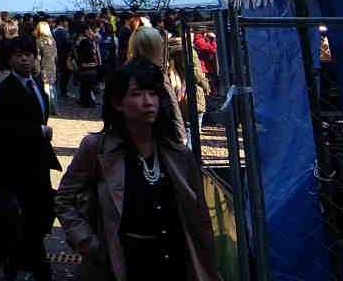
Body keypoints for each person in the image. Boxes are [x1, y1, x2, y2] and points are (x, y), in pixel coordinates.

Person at [56, 59, 220, 281]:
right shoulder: (97, 148)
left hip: (175, 263)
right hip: (122, 264)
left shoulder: (178, 153)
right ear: (118, 103)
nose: (148, 102)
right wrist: (88, 242)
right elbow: (64, 199)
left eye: (153, 94)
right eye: (137, 94)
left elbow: (199, 214)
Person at [0, 36, 61, 281]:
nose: (25, 59)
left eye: (28, 54)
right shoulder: (4, 90)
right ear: (10, 59)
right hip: (17, 165)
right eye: (19, 55)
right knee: (24, 218)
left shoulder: (36, 82)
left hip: (39, 161)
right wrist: (38, 131)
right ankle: (29, 264)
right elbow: (2, 129)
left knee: (41, 213)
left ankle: (31, 260)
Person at [76, 21, 102, 107]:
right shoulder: (85, 41)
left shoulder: (81, 39)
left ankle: (86, 100)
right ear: (86, 30)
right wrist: (94, 59)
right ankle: (87, 101)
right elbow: (89, 53)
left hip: (84, 64)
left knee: (85, 85)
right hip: (88, 64)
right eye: (89, 29)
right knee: (87, 84)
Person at [35, 21, 59, 105]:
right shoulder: (52, 41)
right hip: (52, 67)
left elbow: (37, 58)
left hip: (43, 68)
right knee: (52, 89)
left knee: (45, 91)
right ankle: (54, 107)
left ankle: (46, 107)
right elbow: (56, 56)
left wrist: (36, 71)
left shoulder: (39, 41)